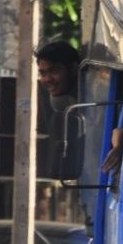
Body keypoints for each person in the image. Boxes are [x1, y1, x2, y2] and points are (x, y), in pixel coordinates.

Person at [36, 41, 83, 179]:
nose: (47, 80)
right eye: (43, 73)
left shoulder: (95, 94)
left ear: (73, 69)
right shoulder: (58, 102)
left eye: (54, 71)